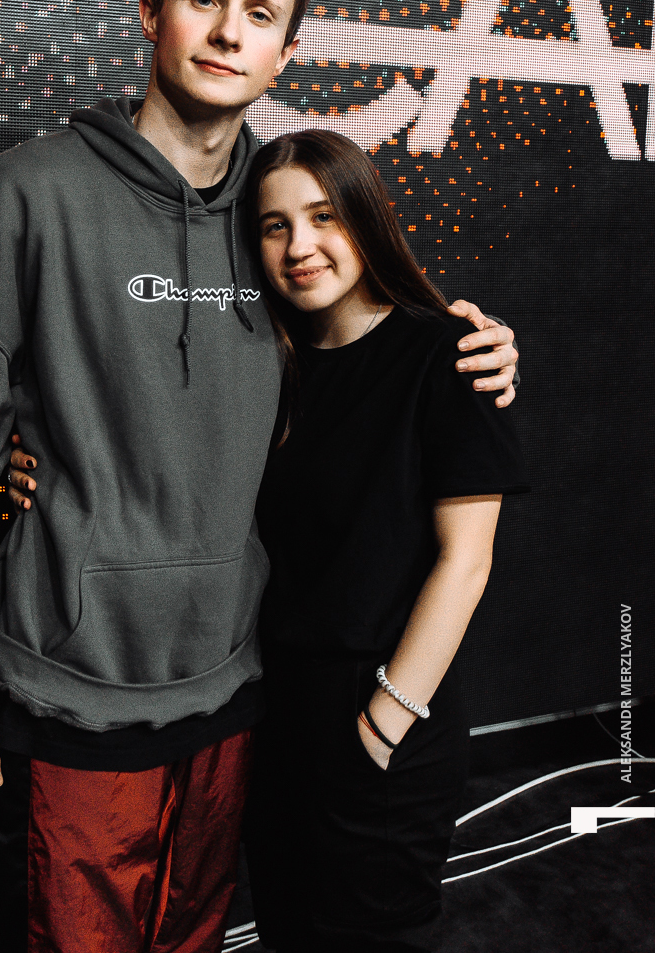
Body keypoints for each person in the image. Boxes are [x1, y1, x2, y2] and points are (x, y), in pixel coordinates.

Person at [0, 0, 519, 953]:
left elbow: (370, 354)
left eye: (260, 13)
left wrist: (475, 344)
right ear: (152, 13)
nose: (230, 30)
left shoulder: (277, 218)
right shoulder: (33, 191)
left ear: (286, 52)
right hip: (70, 692)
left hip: (237, 693)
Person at [243, 130, 529, 952]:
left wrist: (384, 720)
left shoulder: (448, 352)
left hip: (382, 714)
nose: (299, 246)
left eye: (323, 216)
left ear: (366, 219)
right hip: (276, 715)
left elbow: (465, 561)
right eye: (274, 226)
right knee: (287, 932)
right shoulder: (268, 364)